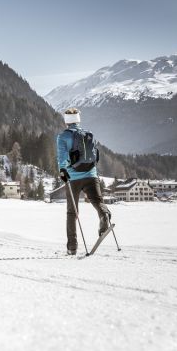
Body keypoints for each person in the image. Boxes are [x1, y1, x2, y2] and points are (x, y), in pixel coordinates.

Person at [56, 108, 111, 255]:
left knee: (72, 212)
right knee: (97, 201)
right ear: (78, 119)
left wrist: (63, 170)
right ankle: (104, 215)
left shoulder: (63, 137)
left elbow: (62, 158)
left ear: (66, 121)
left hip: (73, 178)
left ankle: (72, 247)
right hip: (91, 175)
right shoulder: (89, 134)